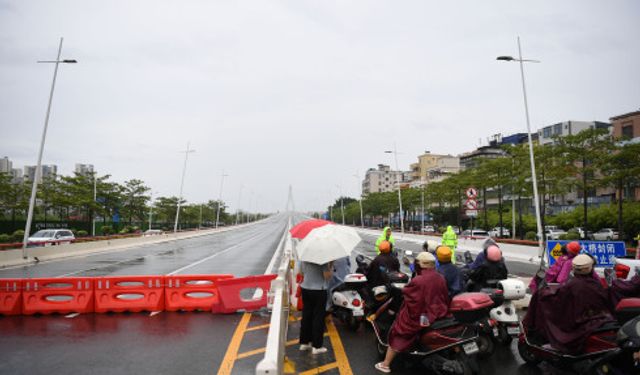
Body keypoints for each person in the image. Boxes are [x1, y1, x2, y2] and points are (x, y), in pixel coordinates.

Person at [523, 254, 616, 354]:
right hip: (599, 318)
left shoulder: (572, 284)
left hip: (578, 323)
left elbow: (558, 298)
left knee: (547, 306)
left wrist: (543, 294)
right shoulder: (596, 284)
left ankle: (553, 343)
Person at [375, 252, 449, 373]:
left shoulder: (419, 280)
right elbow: (444, 295)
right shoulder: (440, 277)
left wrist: (401, 289)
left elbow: (409, 294)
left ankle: (385, 364)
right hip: (438, 311)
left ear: (420, 265)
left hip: (422, 315)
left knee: (400, 329)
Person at [299, 260, 333, 355]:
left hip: (305, 288)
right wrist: (330, 266)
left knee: (306, 315)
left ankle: (305, 343)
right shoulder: (323, 259)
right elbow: (327, 277)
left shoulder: (303, 258)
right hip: (319, 290)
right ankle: (317, 346)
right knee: (318, 317)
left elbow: (300, 272)